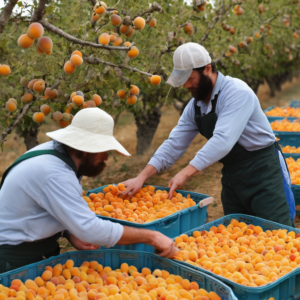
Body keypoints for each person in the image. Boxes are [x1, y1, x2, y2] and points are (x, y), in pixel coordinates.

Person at [122, 42, 295, 227]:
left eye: (189, 77)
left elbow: (223, 140)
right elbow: (174, 143)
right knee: (239, 235)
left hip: (263, 171)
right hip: (233, 175)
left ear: (207, 69)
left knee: (278, 235)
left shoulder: (236, 92)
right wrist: (141, 177)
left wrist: (185, 173)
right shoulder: (196, 107)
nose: (186, 85)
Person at [0, 108, 175, 273]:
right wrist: (151, 236)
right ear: (85, 148)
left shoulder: (56, 155)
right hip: (15, 256)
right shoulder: (54, 173)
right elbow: (90, 228)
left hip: (34, 246)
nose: (105, 157)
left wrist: (68, 231)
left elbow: (44, 207)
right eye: (102, 150)